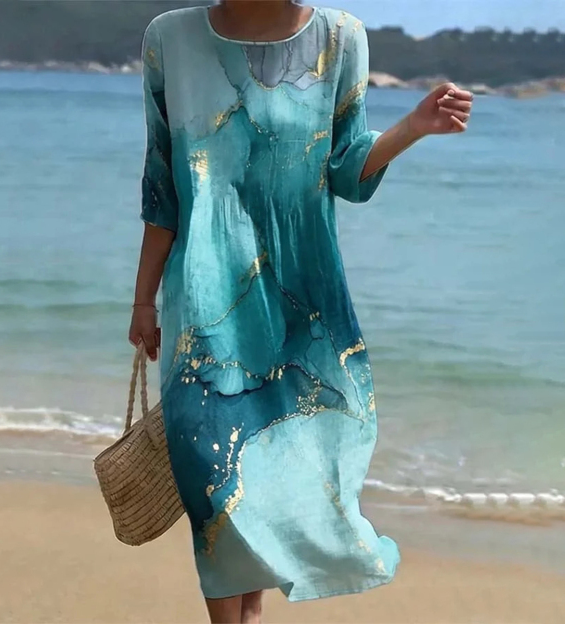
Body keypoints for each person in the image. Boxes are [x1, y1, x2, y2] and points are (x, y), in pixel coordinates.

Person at [129, 1, 473, 622]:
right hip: (202, 296)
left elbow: (346, 170)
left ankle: (250, 613)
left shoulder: (341, 38)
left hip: (302, 299)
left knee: (273, 473)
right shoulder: (169, 38)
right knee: (212, 473)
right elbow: (163, 185)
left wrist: (413, 127)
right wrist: (142, 299)